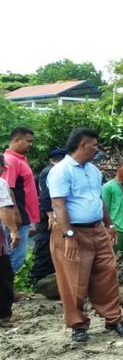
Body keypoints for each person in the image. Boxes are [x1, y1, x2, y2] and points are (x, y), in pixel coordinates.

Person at [48, 128, 123, 342]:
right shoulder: (61, 171)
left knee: (108, 274)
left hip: (97, 230)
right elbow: (58, 205)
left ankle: (113, 319)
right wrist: (68, 234)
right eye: (94, 145)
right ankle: (78, 325)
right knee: (74, 282)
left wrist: (110, 225)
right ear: (83, 144)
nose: (97, 149)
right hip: (73, 232)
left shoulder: (93, 171)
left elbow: (98, 200)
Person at [2, 127, 40, 277]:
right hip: (16, 217)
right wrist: (16, 217)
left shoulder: (19, 159)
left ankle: (8, 290)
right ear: (16, 140)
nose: (31, 144)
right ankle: (6, 291)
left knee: (15, 255)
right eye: (28, 141)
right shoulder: (10, 160)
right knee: (14, 255)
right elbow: (7, 190)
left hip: (24, 216)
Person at [29, 147, 67, 286]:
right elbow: (45, 195)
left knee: (51, 246)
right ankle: (38, 281)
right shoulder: (51, 172)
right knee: (45, 246)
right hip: (48, 216)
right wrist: (50, 214)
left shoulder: (48, 170)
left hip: (51, 214)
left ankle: (47, 279)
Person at [0, 155, 21, 324]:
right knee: (4, 274)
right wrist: (13, 231)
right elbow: (4, 209)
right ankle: (4, 314)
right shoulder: (0, 183)